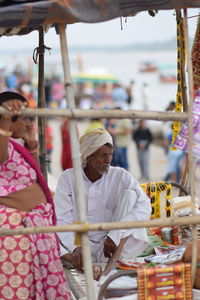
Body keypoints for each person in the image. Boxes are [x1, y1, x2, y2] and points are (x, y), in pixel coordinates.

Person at [0, 91, 72, 299]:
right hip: (18, 232)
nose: (27, 122)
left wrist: (31, 144)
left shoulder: (15, 145)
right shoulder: (4, 144)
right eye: (23, 117)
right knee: (22, 291)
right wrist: (4, 121)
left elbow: (32, 179)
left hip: (36, 229)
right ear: (8, 119)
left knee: (38, 288)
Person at [54, 128, 151, 273]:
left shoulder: (120, 175)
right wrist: (75, 247)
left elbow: (145, 207)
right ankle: (77, 260)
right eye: (102, 155)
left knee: (131, 196)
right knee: (43, 230)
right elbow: (62, 219)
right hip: (76, 246)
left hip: (111, 246)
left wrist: (115, 234)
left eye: (110, 155)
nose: (108, 160)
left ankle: (110, 264)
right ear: (88, 156)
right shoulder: (68, 178)